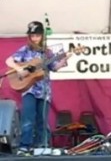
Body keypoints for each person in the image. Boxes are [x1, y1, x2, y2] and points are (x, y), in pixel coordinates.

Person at [5, 21, 71, 155]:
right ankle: (24, 146)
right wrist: (19, 69)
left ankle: (40, 146)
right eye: (32, 35)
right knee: (28, 119)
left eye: (37, 35)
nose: (35, 38)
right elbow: (9, 61)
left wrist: (64, 60)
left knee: (42, 119)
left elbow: (55, 67)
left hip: (44, 90)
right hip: (29, 90)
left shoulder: (47, 52)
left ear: (42, 36)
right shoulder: (25, 50)